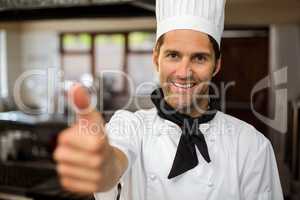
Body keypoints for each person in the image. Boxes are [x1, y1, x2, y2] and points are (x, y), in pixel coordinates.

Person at [54, 0, 284, 199]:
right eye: (173, 55)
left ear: (217, 65)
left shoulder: (253, 146)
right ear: (156, 59)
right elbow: (113, 164)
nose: (184, 72)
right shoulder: (131, 126)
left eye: (199, 58)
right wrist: (102, 165)